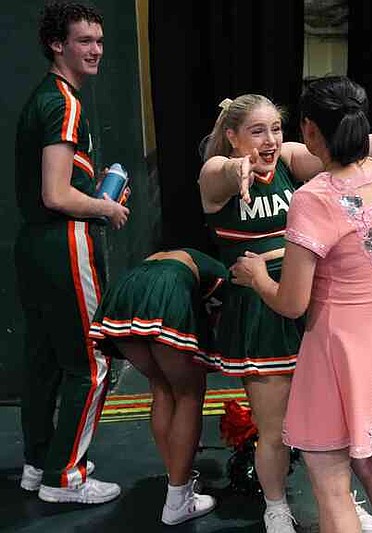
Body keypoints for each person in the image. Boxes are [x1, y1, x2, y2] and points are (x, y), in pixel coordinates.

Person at [198, 91, 372, 532]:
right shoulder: (219, 171)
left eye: (276, 128)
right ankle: (276, 506)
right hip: (264, 312)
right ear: (232, 136)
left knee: (335, 445)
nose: (270, 139)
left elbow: (349, 146)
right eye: (257, 131)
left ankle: (341, 503)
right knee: (275, 425)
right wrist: (235, 166)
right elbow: (220, 174)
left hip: (307, 304)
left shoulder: (295, 163)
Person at [14, 0, 129, 505]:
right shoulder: (65, 102)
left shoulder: (44, 96)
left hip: (35, 245)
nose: (96, 50)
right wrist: (106, 209)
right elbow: (57, 194)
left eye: (100, 41)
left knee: (44, 361)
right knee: (92, 362)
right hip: (64, 241)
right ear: (57, 44)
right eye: (84, 40)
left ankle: (39, 465)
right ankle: (67, 477)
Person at [89, 249, 229, 524]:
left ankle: (179, 481)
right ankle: (178, 499)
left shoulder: (170, 256)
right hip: (167, 286)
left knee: (161, 387)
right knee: (189, 393)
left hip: (123, 289)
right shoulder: (220, 273)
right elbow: (224, 319)